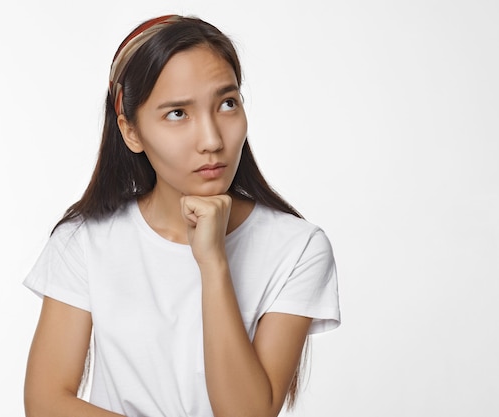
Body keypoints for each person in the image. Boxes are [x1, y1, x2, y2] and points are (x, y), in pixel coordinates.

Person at [23, 14, 340, 417]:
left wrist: (213, 263)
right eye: (178, 113)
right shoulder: (85, 240)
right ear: (131, 131)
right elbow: (46, 402)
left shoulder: (297, 248)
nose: (211, 140)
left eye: (227, 103)